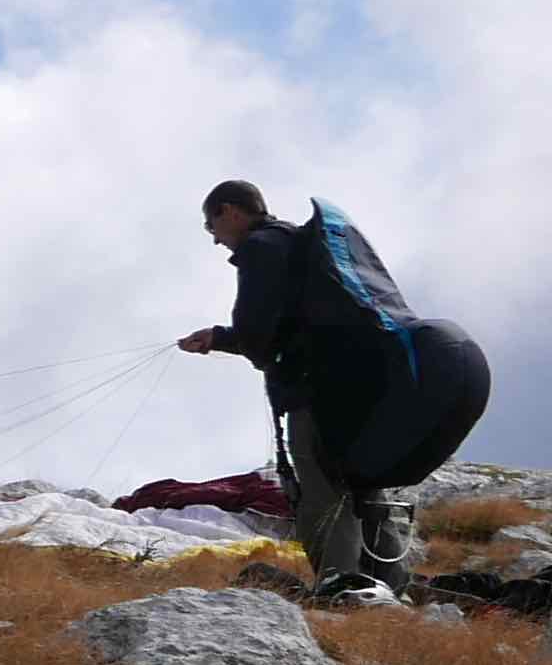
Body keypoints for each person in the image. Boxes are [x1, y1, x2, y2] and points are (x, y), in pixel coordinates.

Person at [176, 177, 450, 605]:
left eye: (211, 226)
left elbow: (259, 335)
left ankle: (340, 590)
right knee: (364, 485)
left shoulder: (260, 249)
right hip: (360, 387)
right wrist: (220, 338)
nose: (215, 240)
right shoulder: (300, 245)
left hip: (317, 391)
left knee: (322, 492)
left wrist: (221, 336)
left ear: (230, 211)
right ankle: (392, 589)